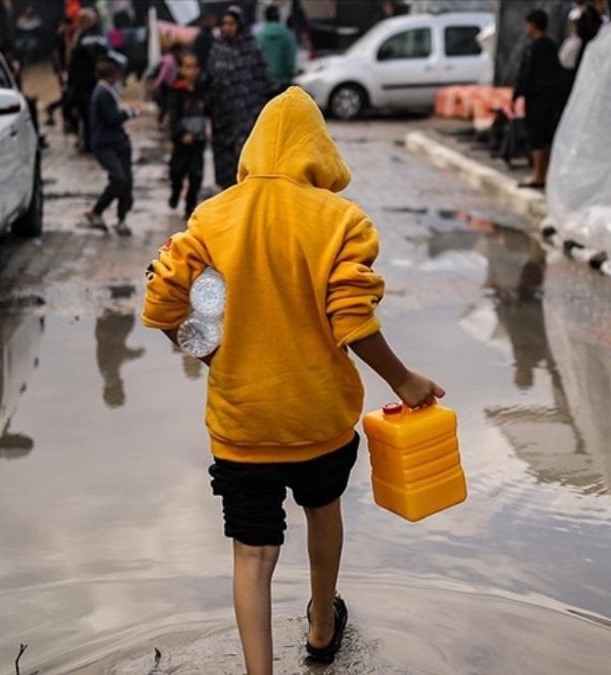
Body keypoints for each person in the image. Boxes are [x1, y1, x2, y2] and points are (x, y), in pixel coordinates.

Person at [141, 87, 445, 675]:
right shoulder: (342, 221)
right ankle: (323, 627)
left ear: (253, 148)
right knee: (323, 509)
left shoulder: (212, 215)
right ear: (319, 152)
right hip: (320, 417)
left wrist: (212, 357)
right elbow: (352, 320)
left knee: (253, 553)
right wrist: (403, 380)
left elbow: (162, 303)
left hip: (242, 419)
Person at [205, 5, 272, 189]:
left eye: (231, 23)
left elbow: (263, 81)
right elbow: (210, 80)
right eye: (224, 23)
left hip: (247, 116)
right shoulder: (217, 48)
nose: (227, 27)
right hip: (221, 118)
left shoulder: (252, 49)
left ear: (240, 25)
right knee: (225, 167)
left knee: (244, 160)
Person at [84, 59, 140, 236]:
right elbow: (113, 118)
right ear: (114, 75)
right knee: (119, 178)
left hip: (117, 143)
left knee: (126, 181)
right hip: (105, 144)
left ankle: (121, 219)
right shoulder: (103, 93)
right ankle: (97, 211)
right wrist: (130, 112)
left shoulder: (106, 92)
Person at [512, 9, 563, 189]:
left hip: (536, 99)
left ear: (533, 25)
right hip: (551, 99)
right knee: (547, 137)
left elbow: (526, 74)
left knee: (536, 138)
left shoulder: (534, 48)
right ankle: (544, 174)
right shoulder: (552, 46)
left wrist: (517, 94)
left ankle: (537, 175)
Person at [166, 52, 207, 219]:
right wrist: (181, 134)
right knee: (177, 171)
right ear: (181, 69)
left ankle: (190, 207)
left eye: (193, 67)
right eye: (186, 67)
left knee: (196, 175)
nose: (190, 71)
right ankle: (176, 192)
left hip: (198, 140)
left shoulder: (202, 90)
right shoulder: (176, 91)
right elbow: (173, 117)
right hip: (181, 141)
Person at [68, 8, 110, 152]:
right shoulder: (80, 35)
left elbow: (103, 56)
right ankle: (87, 139)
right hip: (80, 81)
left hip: (92, 81)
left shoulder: (98, 35)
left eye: (84, 20)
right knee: (81, 112)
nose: (81, 22)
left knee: (91, 113)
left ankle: (93, 141)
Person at [255, 5, 296, 94]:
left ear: (265, 17)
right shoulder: (287, 35)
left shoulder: (258, 36)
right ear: (279, 17)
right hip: (284, 82)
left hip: (264, 84)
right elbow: (291, 59)